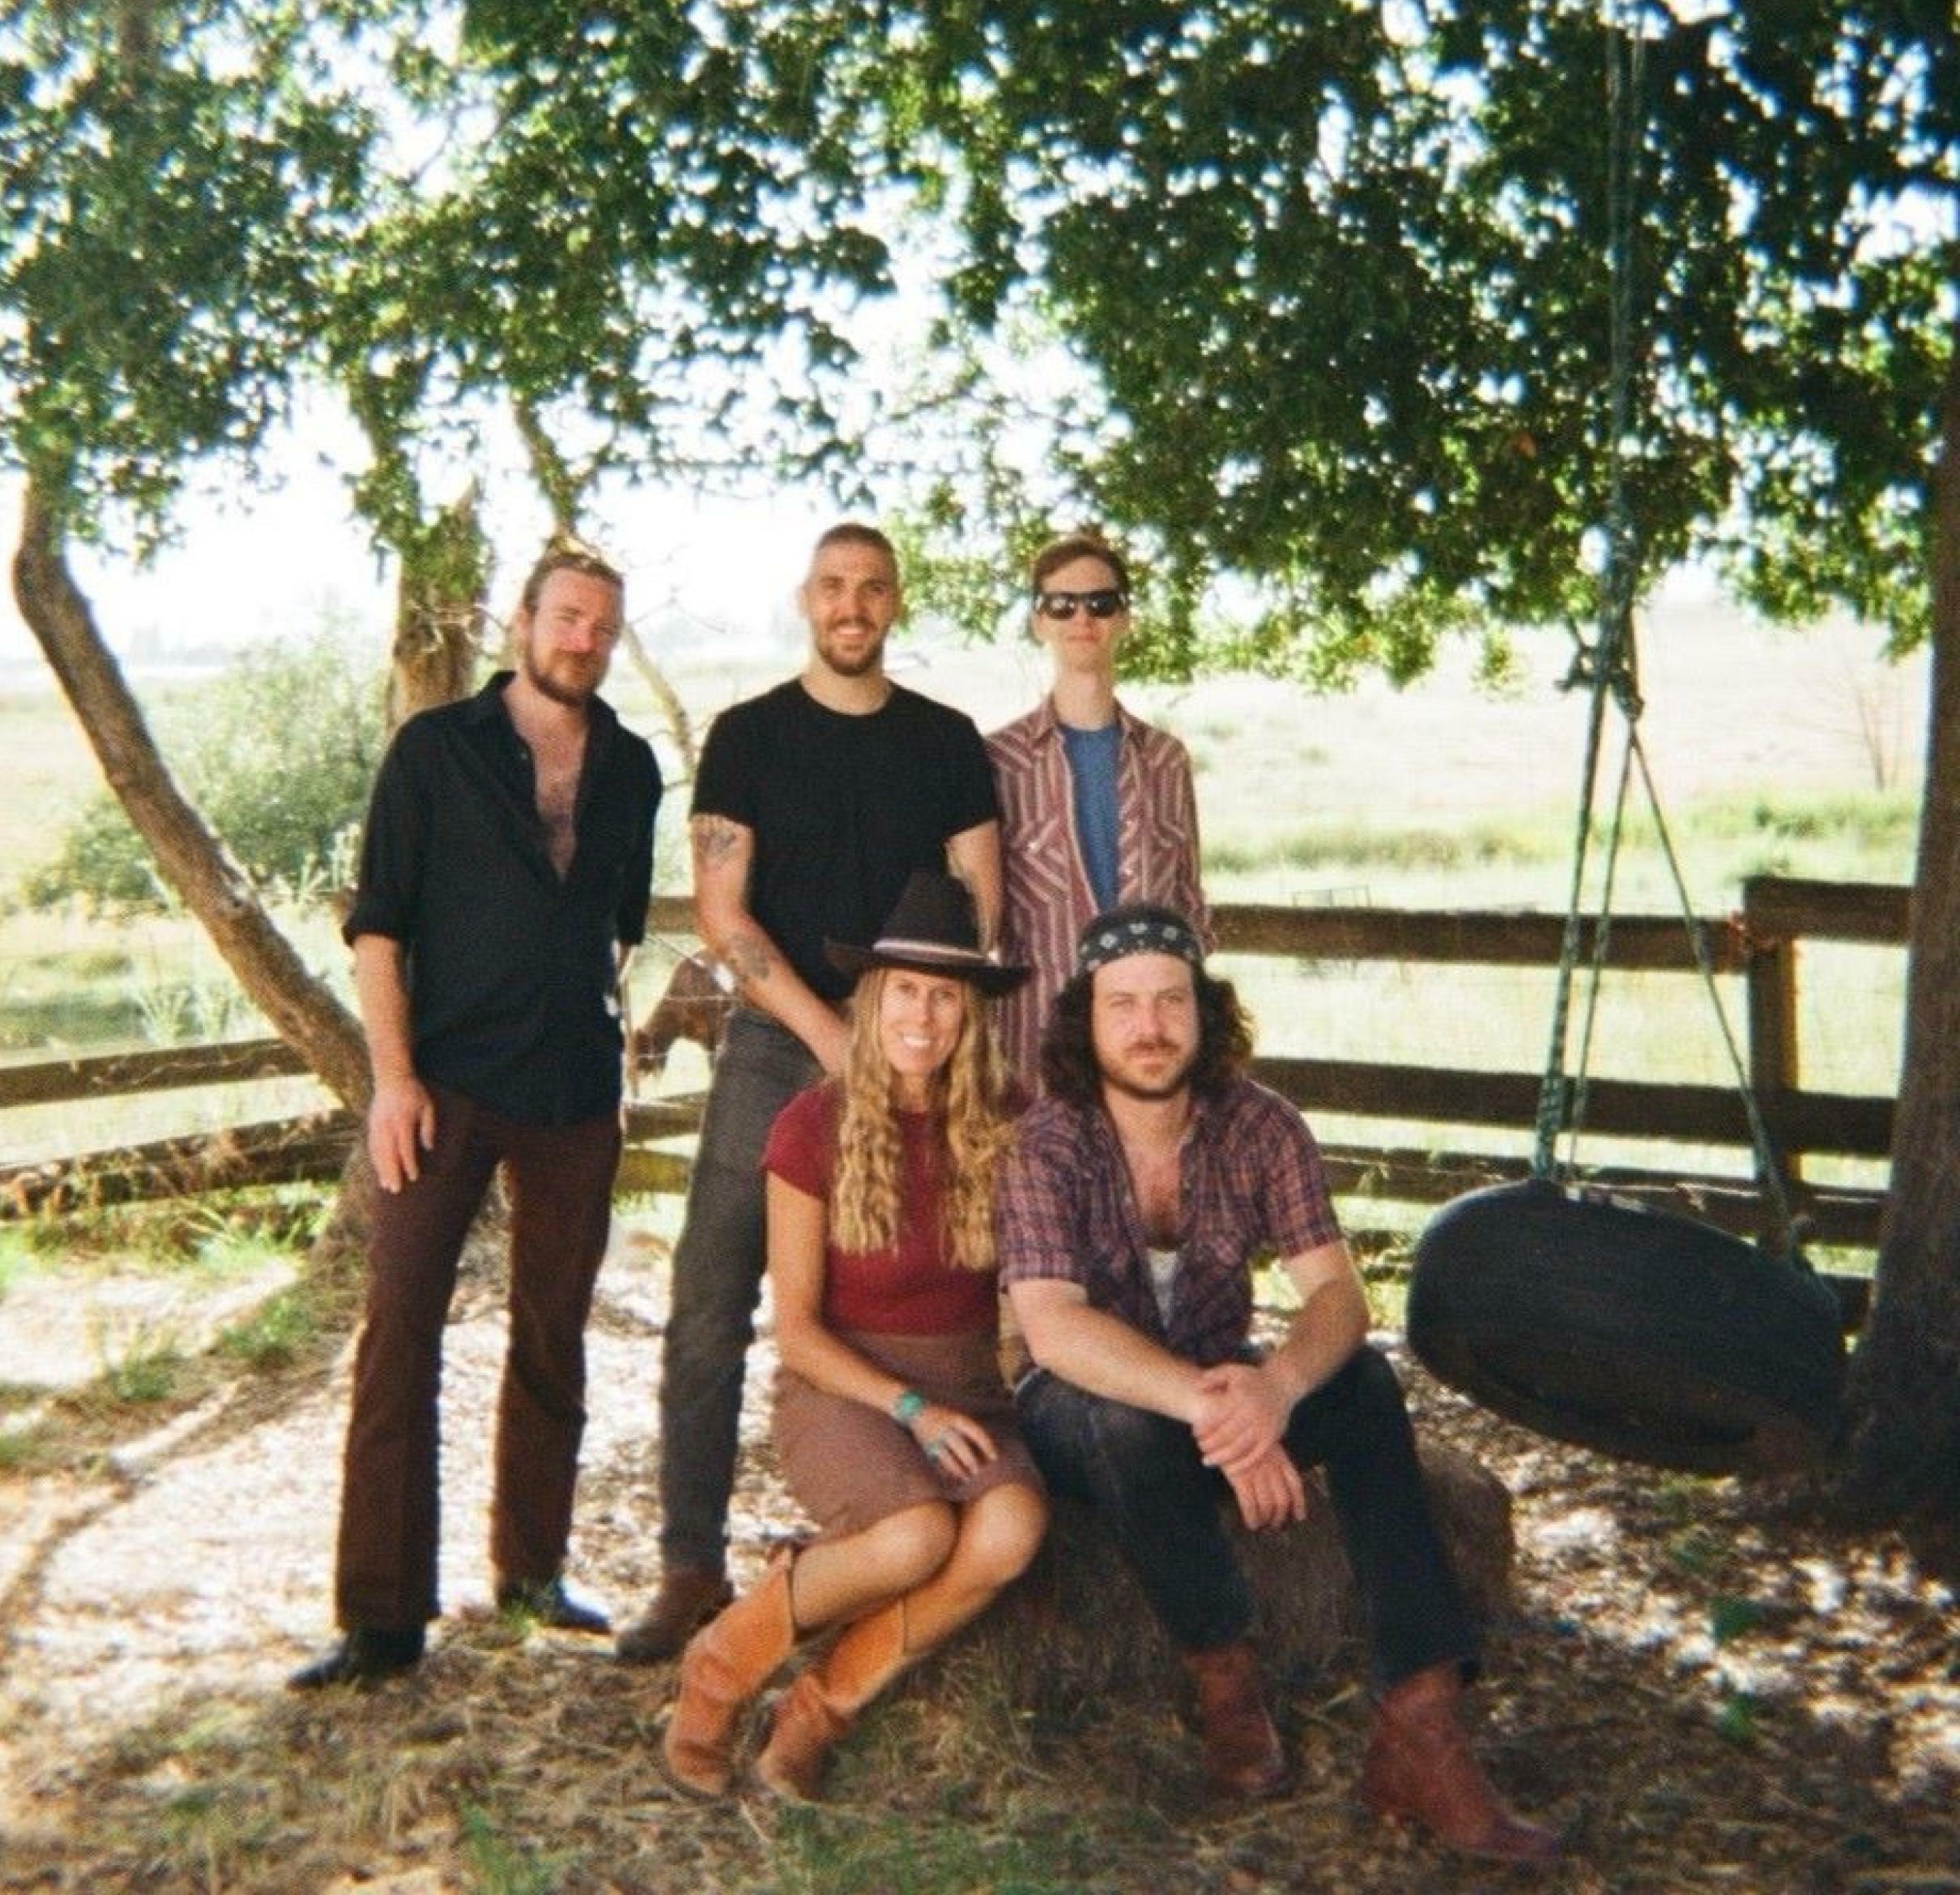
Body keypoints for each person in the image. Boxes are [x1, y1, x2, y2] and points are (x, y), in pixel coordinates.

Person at [997, 905, 1561, 1863]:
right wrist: (1218, 1407)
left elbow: (1339, 1295)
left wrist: (1279, 1391)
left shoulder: (1262, 1124)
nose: (1149, 1027)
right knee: (1124, 1426)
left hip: (1224, 1390)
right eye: (1123, 1005)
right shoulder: (1047, 1142)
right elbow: (1054, 1328)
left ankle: (1420, 1717)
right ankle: (1226, 1680)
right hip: (1084, 1410)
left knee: (1365, 1386)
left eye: (1171, 1001)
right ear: (1084, 1022)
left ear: (1205, 1012)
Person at [616, 522, 1003, 1664]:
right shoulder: (749, 737)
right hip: (780, 1042)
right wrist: (836, 1039)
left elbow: (982, 904)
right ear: (806, 600)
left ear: (895, 603)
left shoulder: (944, 741)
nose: (853, 605)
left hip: (923, 1045)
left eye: (873, 588)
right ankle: (691, 1567)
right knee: (710, 1293)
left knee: (938, 1286)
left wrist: (913, 1033)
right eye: (834, 586)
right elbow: (722, 914)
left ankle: (923, 1520)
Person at [289, 545, 663, 1688]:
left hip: (574, 1094)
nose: (584, 640)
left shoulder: (633, 768)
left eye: (603, 626)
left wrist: (612, 1051)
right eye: (567, 617)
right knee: (400, 1326)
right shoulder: (435, 751)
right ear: (523, 621)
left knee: (553, 1333)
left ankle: (532, 1573)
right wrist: (393, 1080)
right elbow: (379, 930)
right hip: (444, 1087)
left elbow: (618, 933)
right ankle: (382, 1619)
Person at [660, 870, 1047, 1800]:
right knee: (916, 1536)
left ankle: (821, 1706)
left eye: (945, 996)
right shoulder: (812, 1124)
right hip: (844, 1384)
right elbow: (795, 1331)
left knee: (1010, 1530)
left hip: (968, 1385)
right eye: (905, 990)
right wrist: (909, 1409)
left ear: (970, 1013)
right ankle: (720, 1667)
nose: (923, 1015)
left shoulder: (1010, 1120)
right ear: (873, 1000)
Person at [986, 532, 1208, 1085]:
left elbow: (1190, 905)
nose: (1082, 618)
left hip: (1148, 1043)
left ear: (1124, 619)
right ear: (1039, 622)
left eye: (1101, 603)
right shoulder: (997, 761)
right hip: (1037, 1044)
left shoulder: (1166, 760)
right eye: (1062, 604)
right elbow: (980, 916)